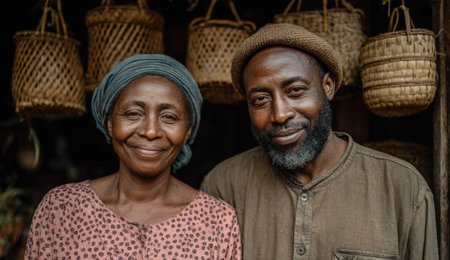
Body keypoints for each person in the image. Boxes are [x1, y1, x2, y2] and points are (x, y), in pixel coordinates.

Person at [201, 23, 438, 259]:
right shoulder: (222, 187)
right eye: (261, 99)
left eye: (295, 90)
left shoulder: (401, 187)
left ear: (328, 86)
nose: (280, 114)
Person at [25, 54, 241, 259]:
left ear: (187, 131)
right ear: (110, 123)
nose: (150, 131)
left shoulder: (216, 221)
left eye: (169, 116)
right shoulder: (62, 209)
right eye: (133, 113)